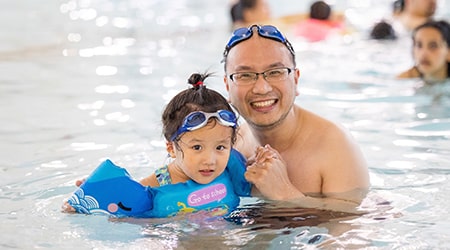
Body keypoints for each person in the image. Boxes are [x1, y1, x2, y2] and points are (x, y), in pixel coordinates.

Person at [221, 24, 370, 209]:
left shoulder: (335, 146)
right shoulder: (230, 145)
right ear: (227, 86)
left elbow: (354, 228)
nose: (262, 88)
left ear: (296, 79)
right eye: (245, 75)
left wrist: (284, 194)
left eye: (275, 72)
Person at [64, 73, 253, 217]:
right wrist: (88, 201)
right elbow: (125, 204)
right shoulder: (158, 183)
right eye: (197, 147)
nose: (210, 160)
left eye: (220, 147)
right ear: (171, 148)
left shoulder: (231, 170)